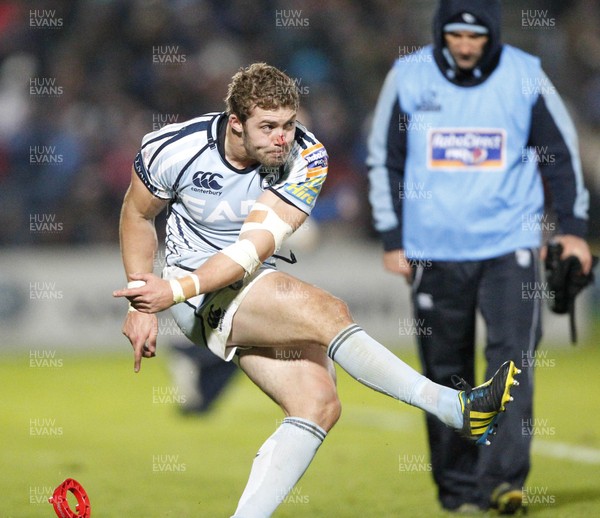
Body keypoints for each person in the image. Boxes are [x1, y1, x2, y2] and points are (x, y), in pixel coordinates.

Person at [113, 62, 519, 518]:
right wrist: (144, 297)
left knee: (318, 403)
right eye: (267, 127)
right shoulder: (173, 148)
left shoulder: (307, 158)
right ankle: (456, 408)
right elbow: (137, 215)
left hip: (231, 278)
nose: (280, 138)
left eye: (288, 125)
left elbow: (251, 250)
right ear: (235, 124)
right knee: (329, 311)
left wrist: (169, 290)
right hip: (194, 293)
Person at [366, 1, 592, 514]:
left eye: (476, 37)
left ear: (492, 35)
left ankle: (502, 481)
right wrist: (391, 237)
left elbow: (560, 153)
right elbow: (385, 159)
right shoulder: (408, 76)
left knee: (512, 362)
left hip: (508, 245)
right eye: (455, 35)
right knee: (445, 372)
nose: (465, 46)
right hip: (432, 250)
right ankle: (458, 487)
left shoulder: (524, 74)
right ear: (440, 33)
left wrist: (575, 231)